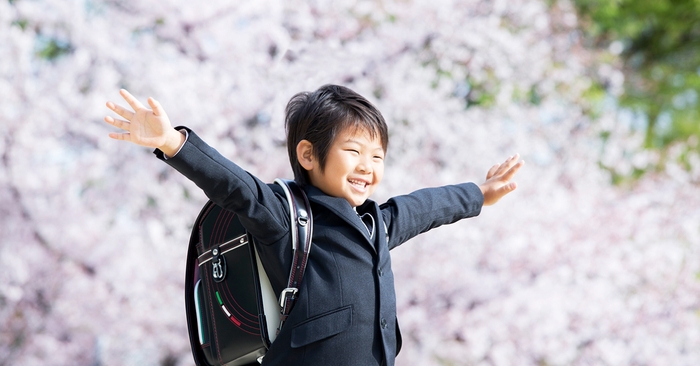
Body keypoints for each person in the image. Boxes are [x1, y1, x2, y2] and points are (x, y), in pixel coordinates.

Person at [104, 84, 523, 366]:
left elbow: (425, 206)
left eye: (377, 157)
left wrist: (480, 193)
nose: (367, 167)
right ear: (308, 155)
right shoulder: (287, 216)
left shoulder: (377, 224)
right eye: (354, 151)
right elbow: (236, 186)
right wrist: (172, 142)